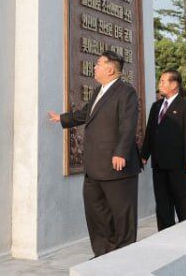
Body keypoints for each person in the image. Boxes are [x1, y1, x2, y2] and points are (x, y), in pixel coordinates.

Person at [48, 50, 140, 257]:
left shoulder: (126, 92)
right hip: (94, 166)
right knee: (97, 213)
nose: (95, 67)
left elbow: (128, 124)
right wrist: (62, 119)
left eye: (98, 63)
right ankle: (103, 255)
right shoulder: (100, 91)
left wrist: (121, 153)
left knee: (122, 215)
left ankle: (124, 258)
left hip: (117, 165)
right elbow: (84, 114)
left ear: (110, 68)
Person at [139, 70, 186, 230]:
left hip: (179, 163)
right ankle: (165, 233)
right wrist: (144, 155)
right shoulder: (156, 105)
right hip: (158, 163)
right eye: (160, 81)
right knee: (162, 202)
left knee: (182, 200)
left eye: (163, 81)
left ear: (174, 84)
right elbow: (150, 132)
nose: (160, 84)